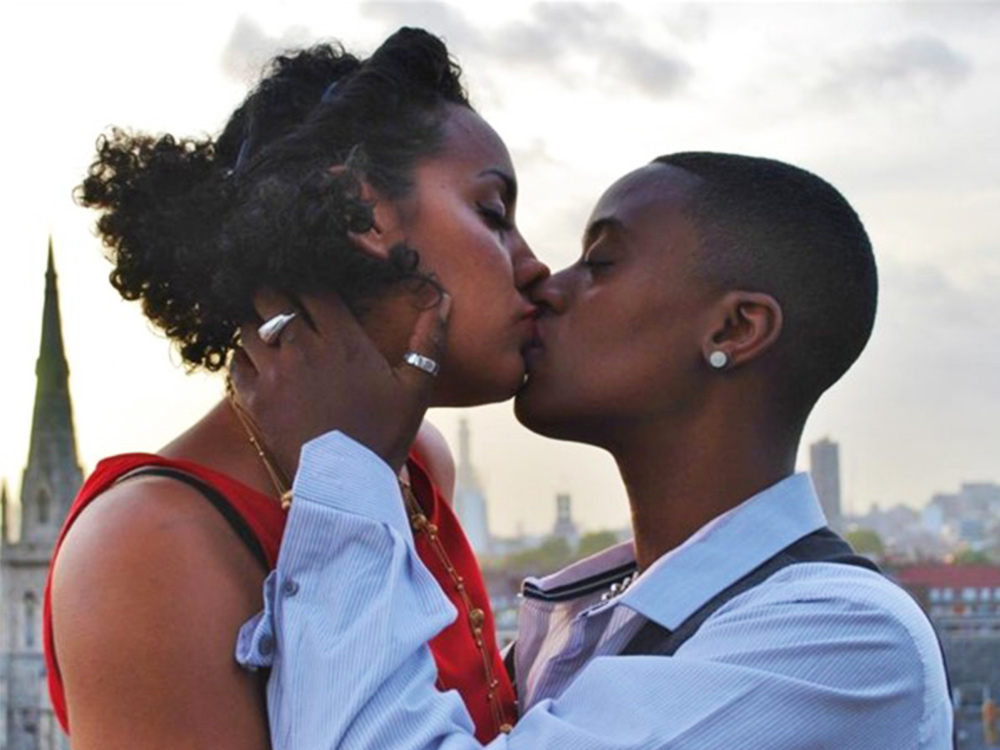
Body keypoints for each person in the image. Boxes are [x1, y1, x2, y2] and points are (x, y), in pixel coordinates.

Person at [233, 153, 954, 748]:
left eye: (601, 262)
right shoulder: (581, 622)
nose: (546, 282)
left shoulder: (841, 641)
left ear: (733, 329)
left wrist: (345, 462)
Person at [43, 28, 550, 750]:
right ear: (366, 210)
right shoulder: (154, 546)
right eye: (494, 214)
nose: (535, 268)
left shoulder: (414, 464)